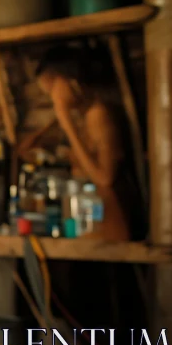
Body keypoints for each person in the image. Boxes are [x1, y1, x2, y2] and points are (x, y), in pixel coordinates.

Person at [33, 43, 146, 242]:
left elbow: (105, 178)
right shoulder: (86, 116)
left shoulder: (99, 115)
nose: (52, 98)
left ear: (69, 80)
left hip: (113, 224)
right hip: (93, 224)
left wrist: (65, 119)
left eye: (52, 90)